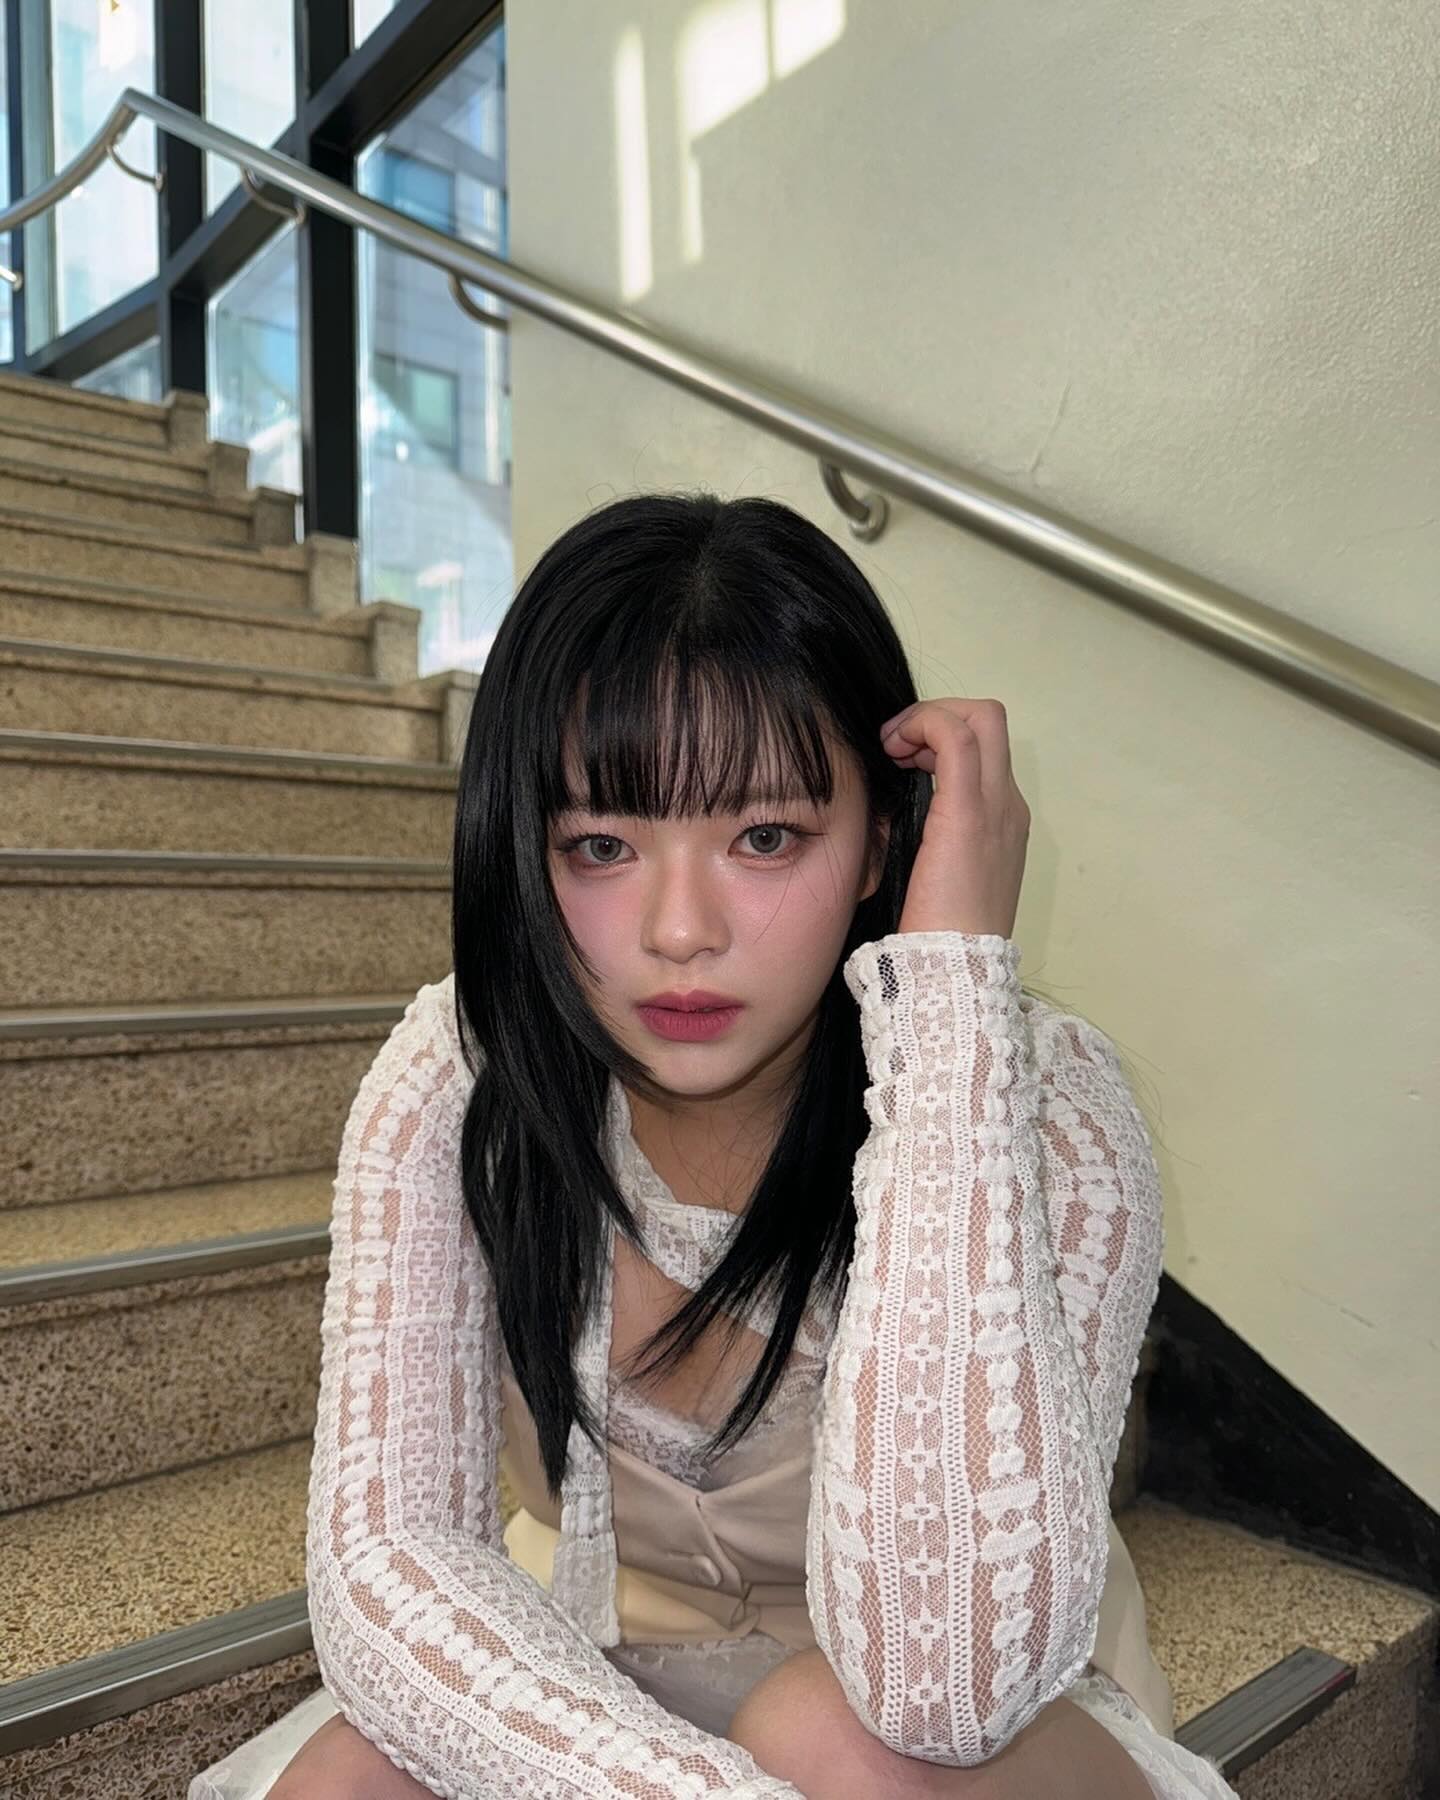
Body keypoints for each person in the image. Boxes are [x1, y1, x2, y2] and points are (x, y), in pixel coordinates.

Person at [190, 491, 1238, 1799]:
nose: (680, 930)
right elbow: (392, 1558)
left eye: (765, 837)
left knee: (829, 1737)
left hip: (959, 1733)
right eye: (601, 845)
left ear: (883, 840)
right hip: (610, 1690)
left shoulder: (1040, 1107)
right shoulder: (465, 1078)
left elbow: (949, 1689)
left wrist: (950, 996)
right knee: (348, 1778)